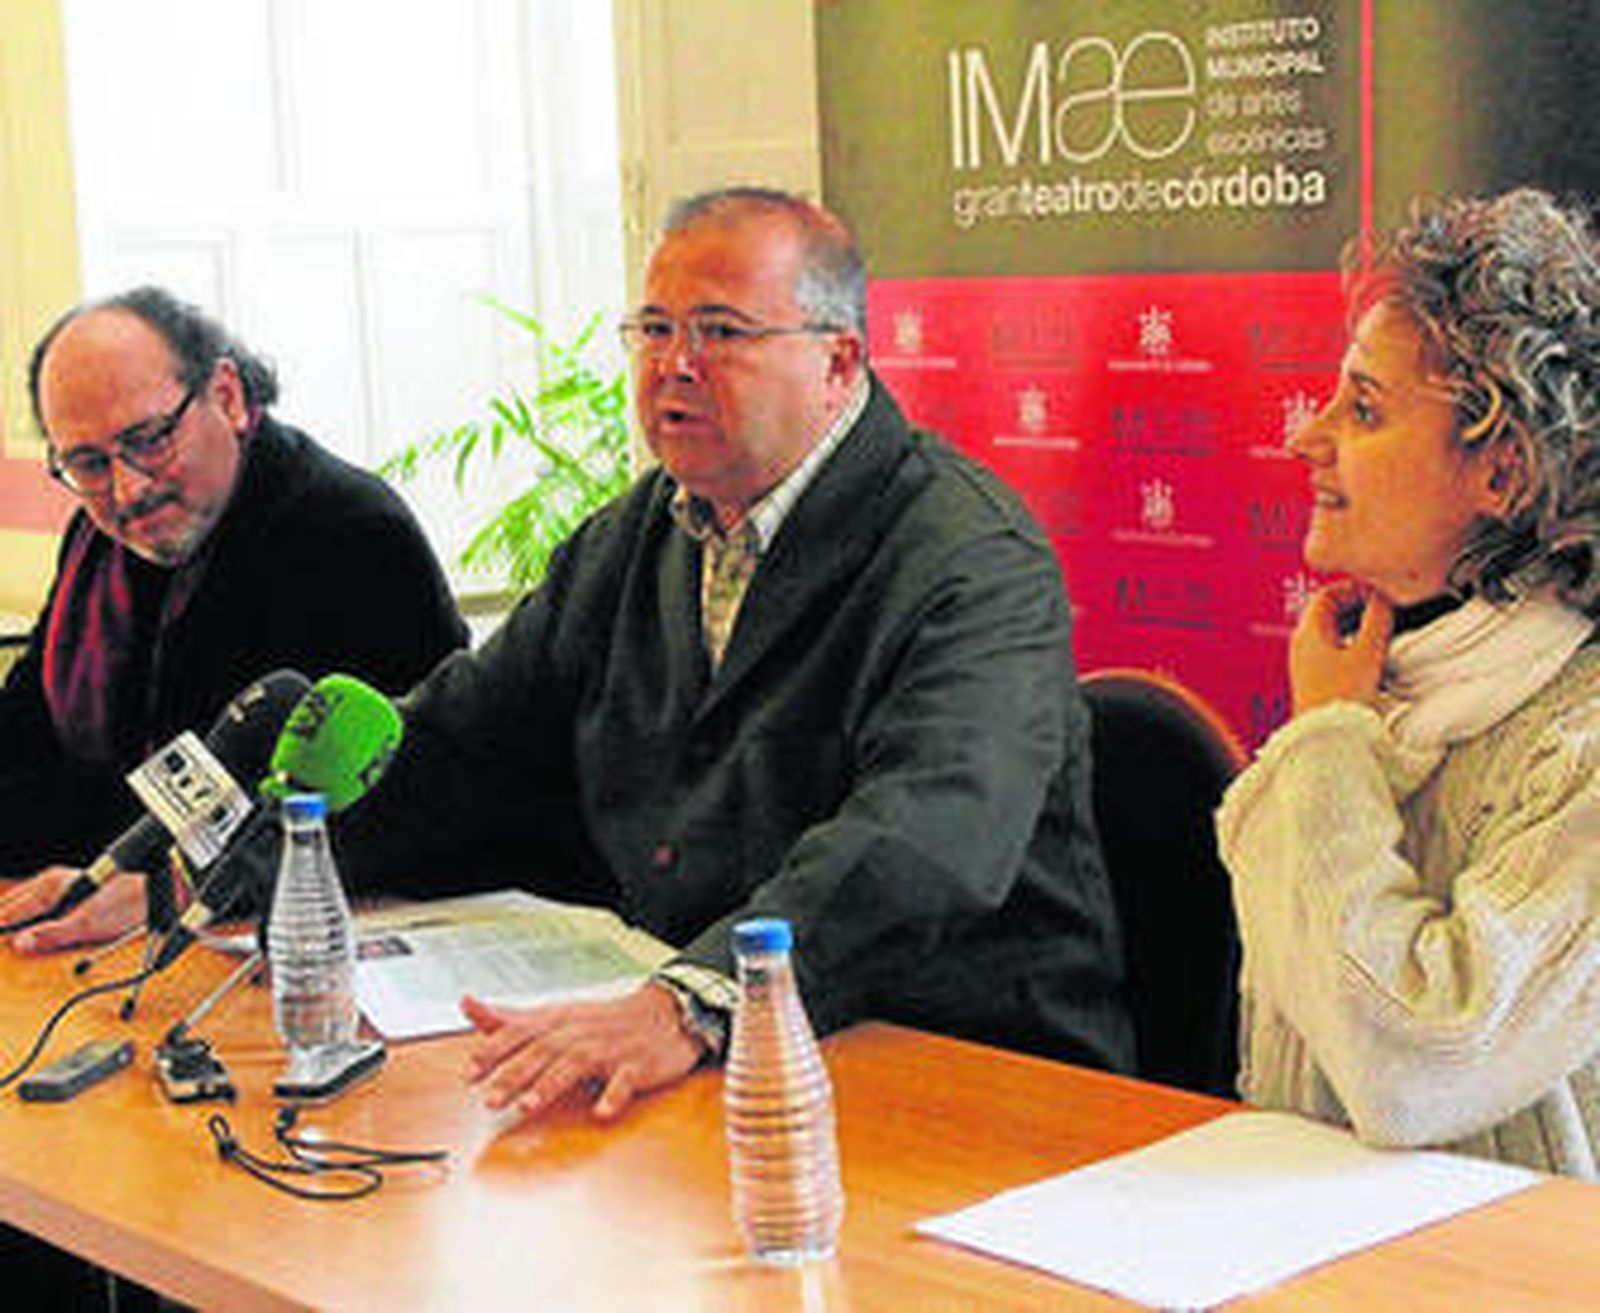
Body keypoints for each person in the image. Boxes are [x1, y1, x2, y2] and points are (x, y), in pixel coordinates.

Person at [335, 186, 1133, 1119]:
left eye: (719, 331)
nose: (674, 366)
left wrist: (697, 1000)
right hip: (704, 1060)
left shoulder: (968, 556)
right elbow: (464, 737)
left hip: (964, 1071)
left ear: (838, 362)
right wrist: (254, 860)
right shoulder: (639, 534)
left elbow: (925, 838)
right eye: (655, 328)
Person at [1218, 188, 1600, 1176]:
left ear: (1502, 473)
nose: (1310, 438)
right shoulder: (1379, 685)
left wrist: (1327, 744)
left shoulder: (1581, 747)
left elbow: (1412, 1064)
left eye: (1365, 408)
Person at [0, 286, 468, 948]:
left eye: (148, 439)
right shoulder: (97, 538)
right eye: (87, 462)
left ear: (227, 396)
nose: (128, 488)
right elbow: (27, 736)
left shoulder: (351, 534)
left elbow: (405, 803)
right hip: (104, 932)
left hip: (292, 943)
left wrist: (174, 884)